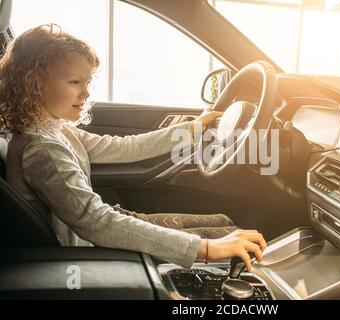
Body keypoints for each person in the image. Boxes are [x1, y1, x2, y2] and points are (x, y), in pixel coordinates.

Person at [0, 24, 266, 271]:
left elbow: (125, 148)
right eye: (74, 82)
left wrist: (190, 129)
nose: (86, 93)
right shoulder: (42, 151)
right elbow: (95, 222)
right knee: (224, 238)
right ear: (34, 84)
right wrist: (207, 249)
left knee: (222, 221)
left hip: (97, 231)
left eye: (87, 82)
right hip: (86, 252)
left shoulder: (57, 130)